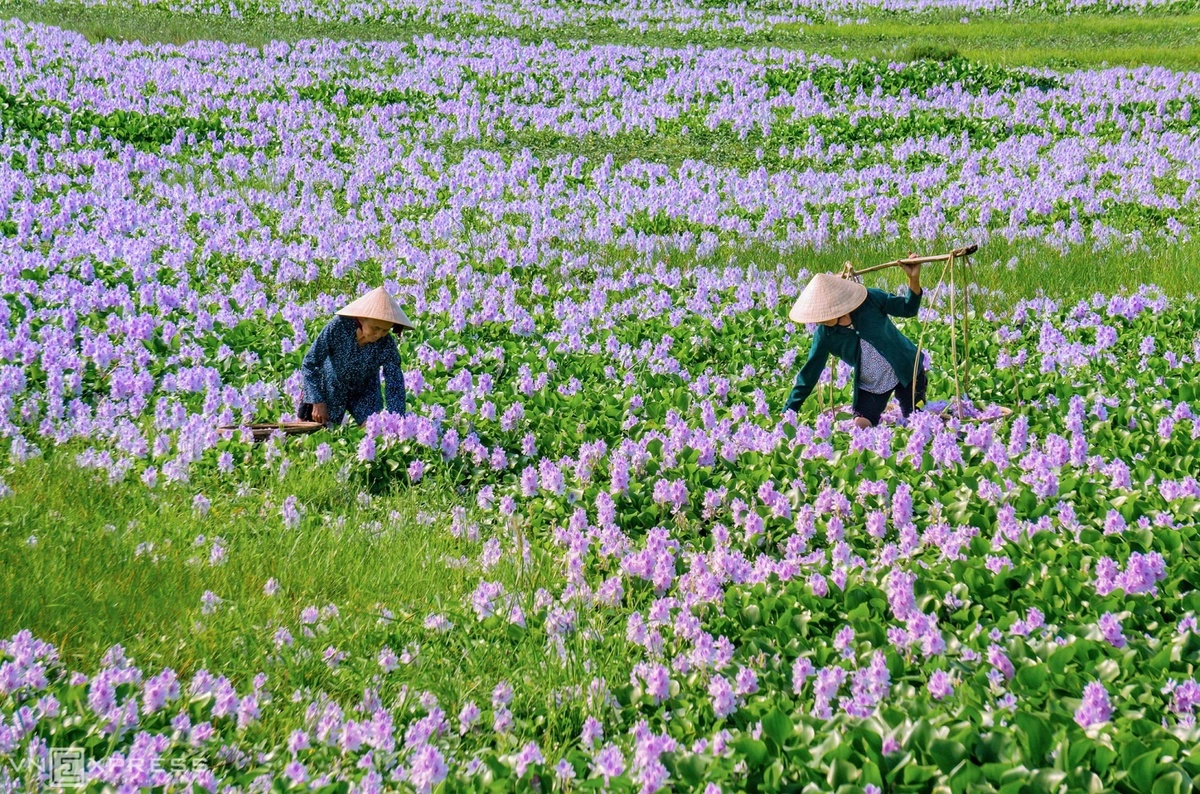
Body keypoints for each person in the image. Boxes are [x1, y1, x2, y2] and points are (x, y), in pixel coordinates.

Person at [783, 262, 925, 428]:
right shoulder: (824, 334)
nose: (819, 320)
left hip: (906, 368)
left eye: (823, 313)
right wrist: (789, 410)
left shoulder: (870, 299)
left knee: (917, 420)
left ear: (836, 305)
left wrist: (913, 279)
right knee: (861, 425)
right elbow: (809, 374)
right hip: (872, 384)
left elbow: (908, 308)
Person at [298, 287, 414, 427]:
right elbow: (310, 363)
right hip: (329, 386)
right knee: (312, 432)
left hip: (365, 392)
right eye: (375, 328)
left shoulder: (387, 344)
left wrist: (397, 421)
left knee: (374, 429)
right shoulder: (339, 326)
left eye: (385, 330)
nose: (379, 335)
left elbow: (394, 382)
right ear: (361, 318)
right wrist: (316, 401)